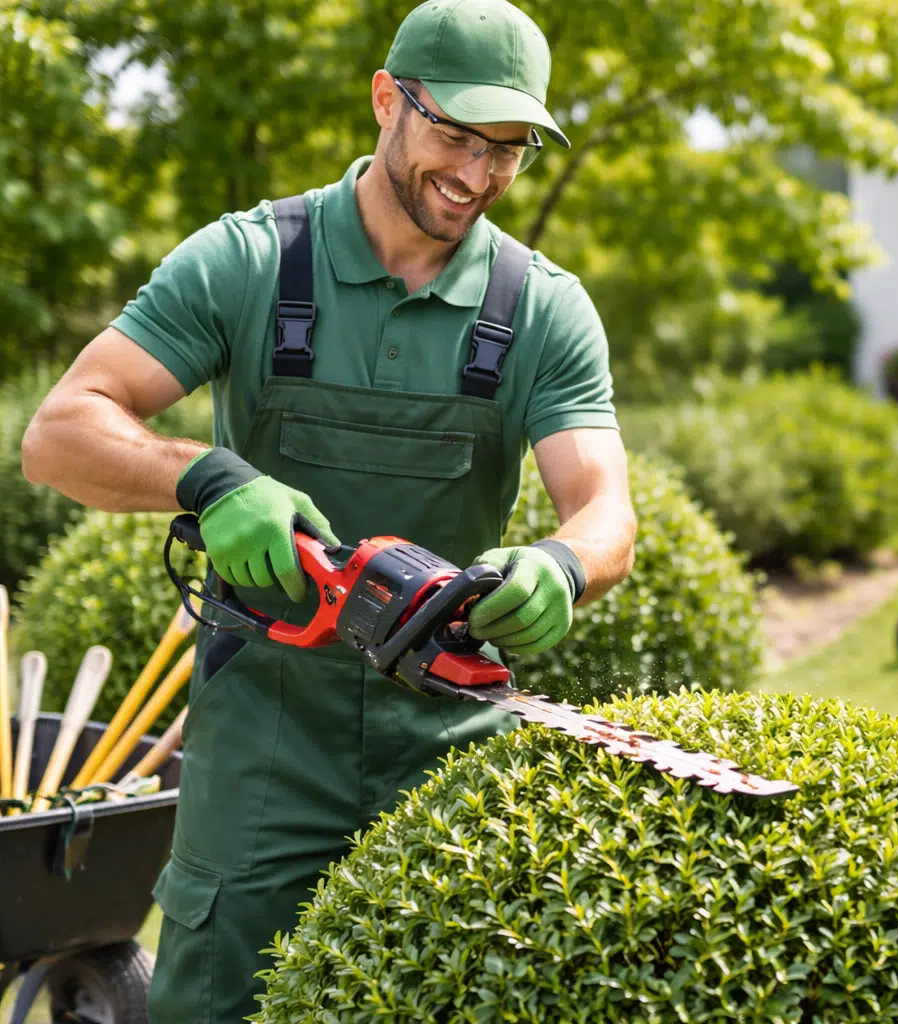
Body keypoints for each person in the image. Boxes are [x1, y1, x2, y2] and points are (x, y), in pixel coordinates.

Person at [21, 1, 637, 1019]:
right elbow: (60, 432)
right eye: (456, 137)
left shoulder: (540, 307)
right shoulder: (252, 261)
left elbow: (604, 508)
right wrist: (210, 478)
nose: (479, 176)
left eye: (509, 150)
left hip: (450, 742)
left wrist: (565, 564)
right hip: (264, 736)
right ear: (388, 99)